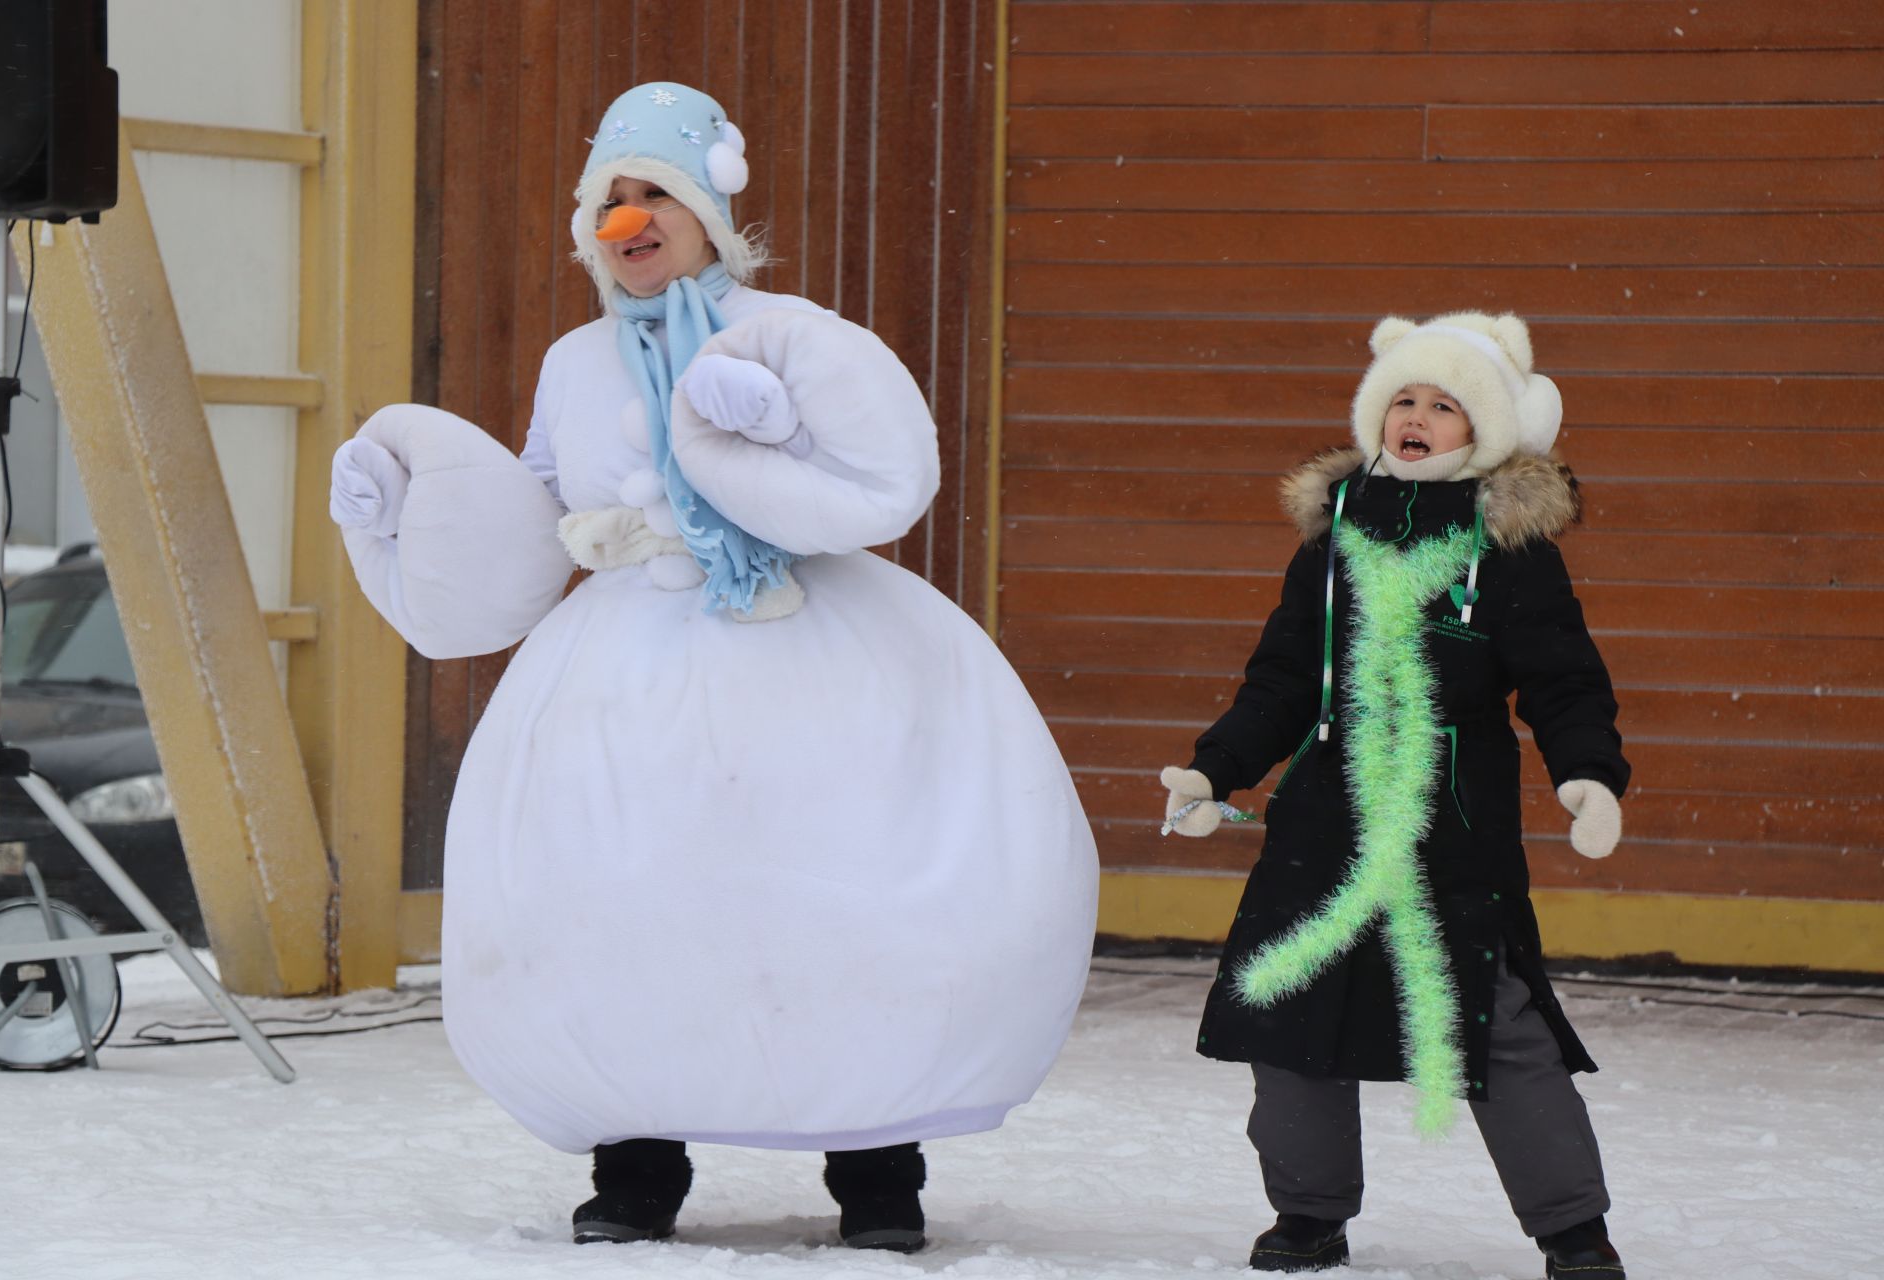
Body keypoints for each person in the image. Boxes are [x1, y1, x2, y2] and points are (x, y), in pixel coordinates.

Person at [329, 81, 1098, 1253]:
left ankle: (877, 1163)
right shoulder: (576, 360)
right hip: (624, 659)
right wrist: (411, 503)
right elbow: (542, 508)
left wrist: (778, 432)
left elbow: (865, 468)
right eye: (611, 200)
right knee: (615, 899)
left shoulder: (784, 332)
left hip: (813, 652)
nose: (630, 222)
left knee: (844, 885)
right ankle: (636, 1165)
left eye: (654, 197)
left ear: (702, 215)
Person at [1158, 313, 1628, 1278]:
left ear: (1484, 433)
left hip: (1452, 824)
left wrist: (1589, 775)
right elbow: (1284, 677)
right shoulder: (1334, 537)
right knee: (1288, 1005)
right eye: (1403, 398)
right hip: (1323, 816)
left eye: (1444, 405)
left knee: (1494, 1022)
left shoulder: (1510, 548)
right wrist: (1217, 767)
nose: (1417, 416)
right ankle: (1309, 1214)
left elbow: (1564, 680)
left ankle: (1573, 1229)